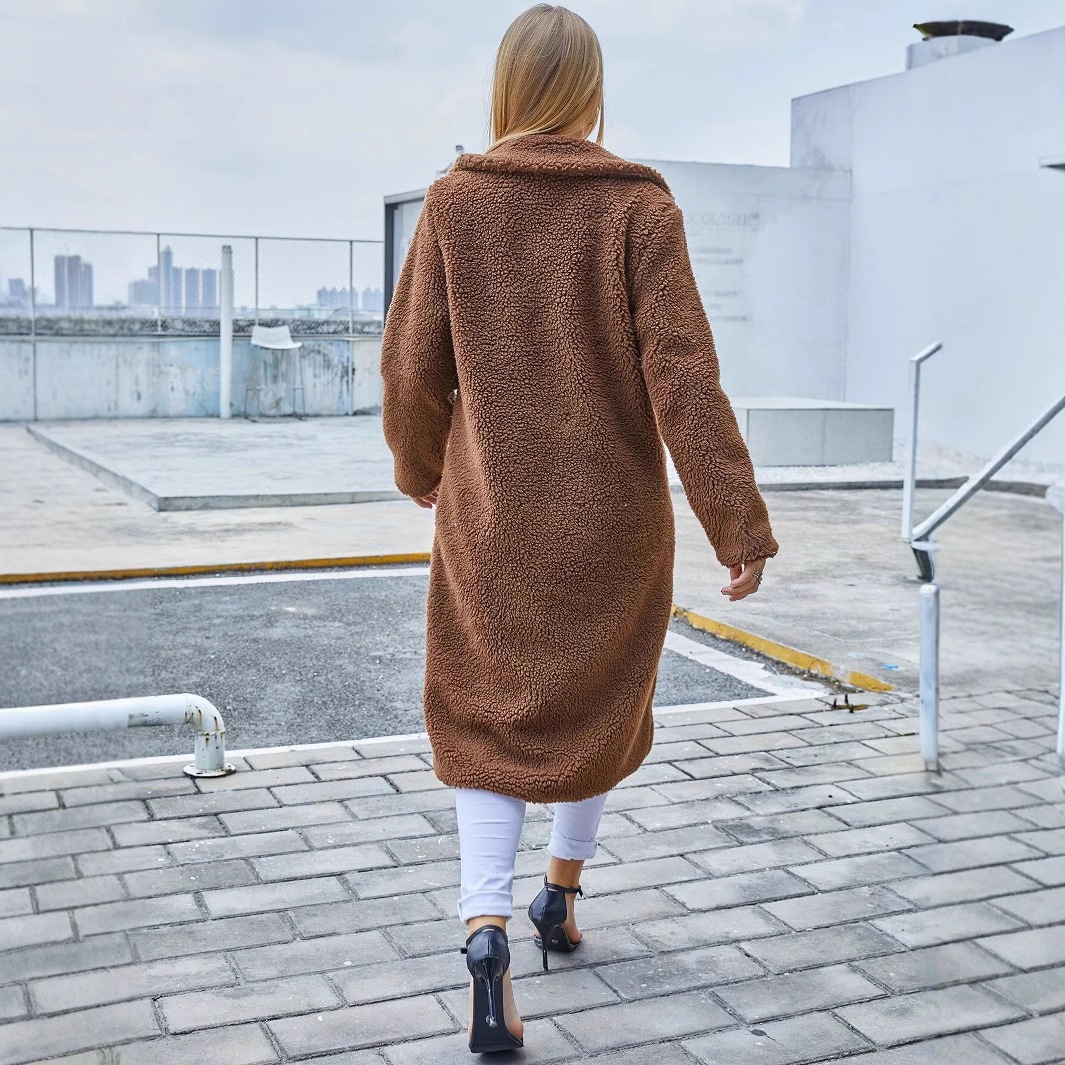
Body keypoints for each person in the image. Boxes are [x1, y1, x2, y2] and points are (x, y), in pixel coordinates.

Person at [380, 3, 778, 1053]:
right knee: (601, 703)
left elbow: (411, 364)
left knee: (485, 721)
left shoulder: (455, 201)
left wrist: (420, 467)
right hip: (614, 526)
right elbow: (684, 378)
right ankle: (560, 893)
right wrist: (736, 523)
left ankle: (487, 934)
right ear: (590, 92)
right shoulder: (640, 207)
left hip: (491, 524)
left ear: (507, 88)